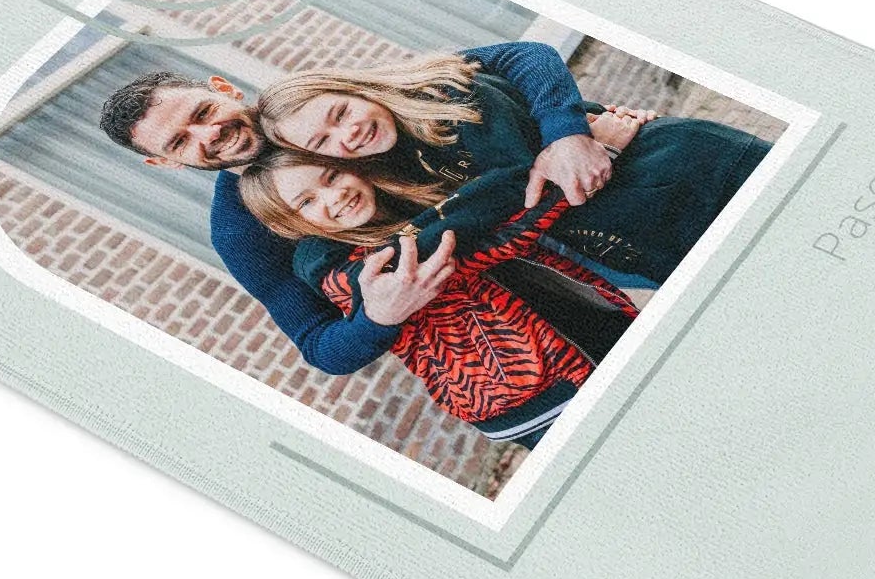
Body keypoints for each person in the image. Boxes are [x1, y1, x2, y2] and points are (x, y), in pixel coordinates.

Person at [98, 42, 618, 375]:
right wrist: (378, 316)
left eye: (203, 112)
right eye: (180, 142)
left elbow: (516, 58)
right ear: (165, 163)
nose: (208, 134)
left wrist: (566, 131)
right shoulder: (240, 234)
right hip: (528, 314)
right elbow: (320, 346)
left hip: (593, 200)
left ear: (223, 89)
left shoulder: (313, 100)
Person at [256, 52, 769, 289]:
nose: (347, 134)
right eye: (324, 144)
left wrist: (570, 130)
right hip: (639, 241)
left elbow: (513, 184)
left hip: (686, 174)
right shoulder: (391, 171)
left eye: (341, 112)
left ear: (356, 88)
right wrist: (325, 266)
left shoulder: (449, 94)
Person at [238, 154, 638, 447]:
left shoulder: (396, 209)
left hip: (578, 326)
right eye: (307, 202)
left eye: (332, 175)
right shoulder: (338, 267)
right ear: (289, 224)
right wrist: (566, 165)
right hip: (532, 396)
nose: (334, 195)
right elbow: (483, 231)